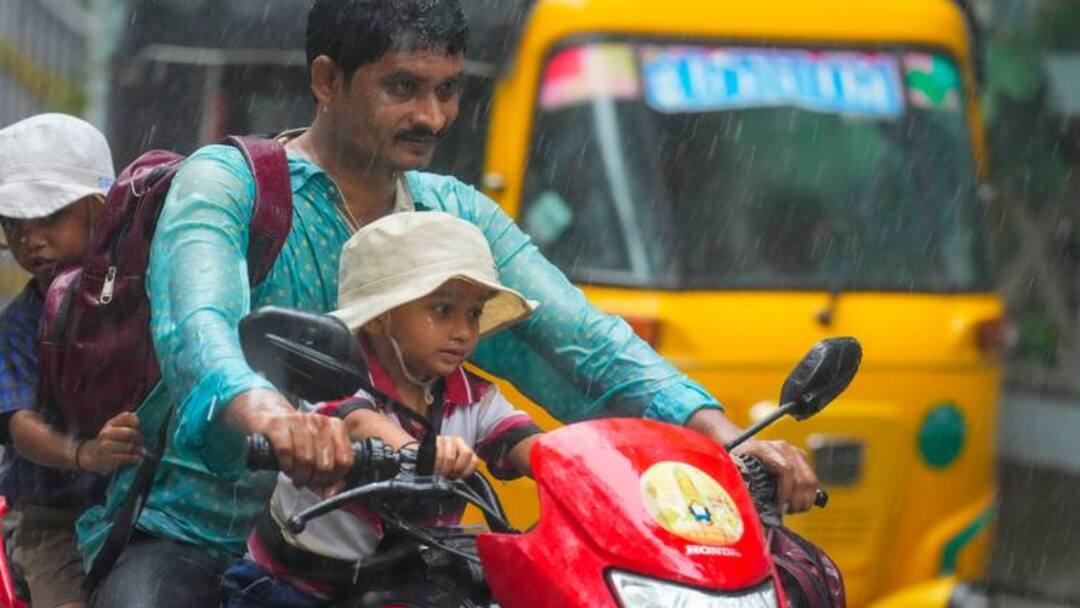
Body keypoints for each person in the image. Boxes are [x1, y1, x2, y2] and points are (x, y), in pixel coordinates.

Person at [79, 2, 819, 606]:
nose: (432, 116)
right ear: (328, 79)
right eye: (403, 87)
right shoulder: (228, 183)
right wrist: (278, 422)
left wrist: (721, 439)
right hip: (206, 542)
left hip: (403, 550)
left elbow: (582, 341)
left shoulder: (452, 217)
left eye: (448, 89)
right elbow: (197, 331)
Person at [221, 211, 544, 607]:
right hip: (294, 589)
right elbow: (357, 419)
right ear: (380, 318)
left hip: (406, 588)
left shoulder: (476, 396)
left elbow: (530, 444)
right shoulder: (339, 378)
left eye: (473, 313)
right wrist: (418, 452)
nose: (462, 331)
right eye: (442, 311)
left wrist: (573, 471)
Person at [0, 114, 144, 608]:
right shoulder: (21, 324)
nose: (29, 239)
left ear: (100, 209)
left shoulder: (142, 296)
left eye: (49, 216)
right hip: (55, 517)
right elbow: (21, 426)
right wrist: (85, 454)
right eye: (15, 225)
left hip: (145, 507)